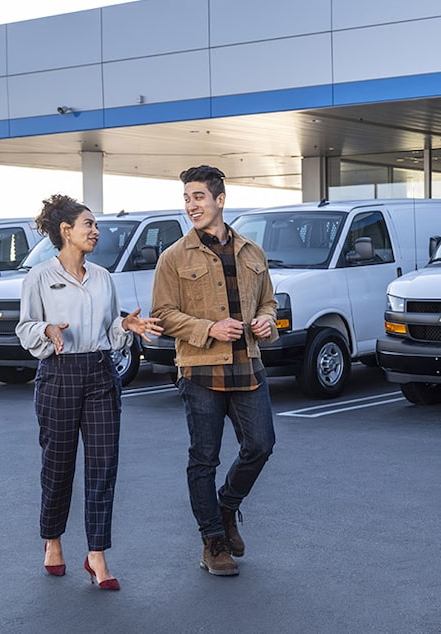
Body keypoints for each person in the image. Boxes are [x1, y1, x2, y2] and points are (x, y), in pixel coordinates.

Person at [16, 194, 163, 591]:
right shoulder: (40, 277)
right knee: (58, 467)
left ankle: (97, 554)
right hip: (58, 375)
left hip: (100, 374)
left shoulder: (102, 277)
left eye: (95, 225)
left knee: (102, 468)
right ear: (66, 231)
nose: (96, 231)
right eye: (89, 225)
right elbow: (25, 327)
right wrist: (46, 331)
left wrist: (126, 328)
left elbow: (109, 335)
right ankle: (53, 542)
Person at [151, 165, 279, 577]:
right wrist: (209, 328)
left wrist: (266, 322)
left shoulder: (252, 252)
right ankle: (213, 542)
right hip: (200, 369)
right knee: (203, 459)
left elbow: (268, 303)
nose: (191, 205)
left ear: (219, 200)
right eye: (187, 198)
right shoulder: (173, 257)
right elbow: (163, 314)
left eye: (198, 197)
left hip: (247, 365)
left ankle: (226, 508)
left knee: (261, 444)